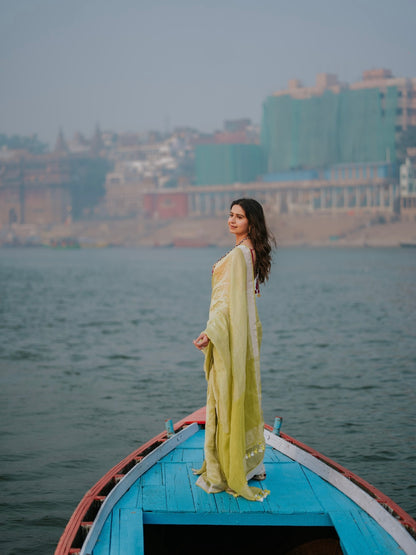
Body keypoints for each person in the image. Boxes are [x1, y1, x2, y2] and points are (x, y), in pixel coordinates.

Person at [193, 198, 275, 501]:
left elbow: (227, 303)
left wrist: (210, 333)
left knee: (230, 393)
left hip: (233, 331)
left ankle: (239, 466)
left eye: (239, 217)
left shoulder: (240, 254)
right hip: (247, 330)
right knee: (244, 390)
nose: (232, 221)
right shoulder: (250, 252)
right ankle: (255, 464)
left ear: (251, 223)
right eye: (230, 215)